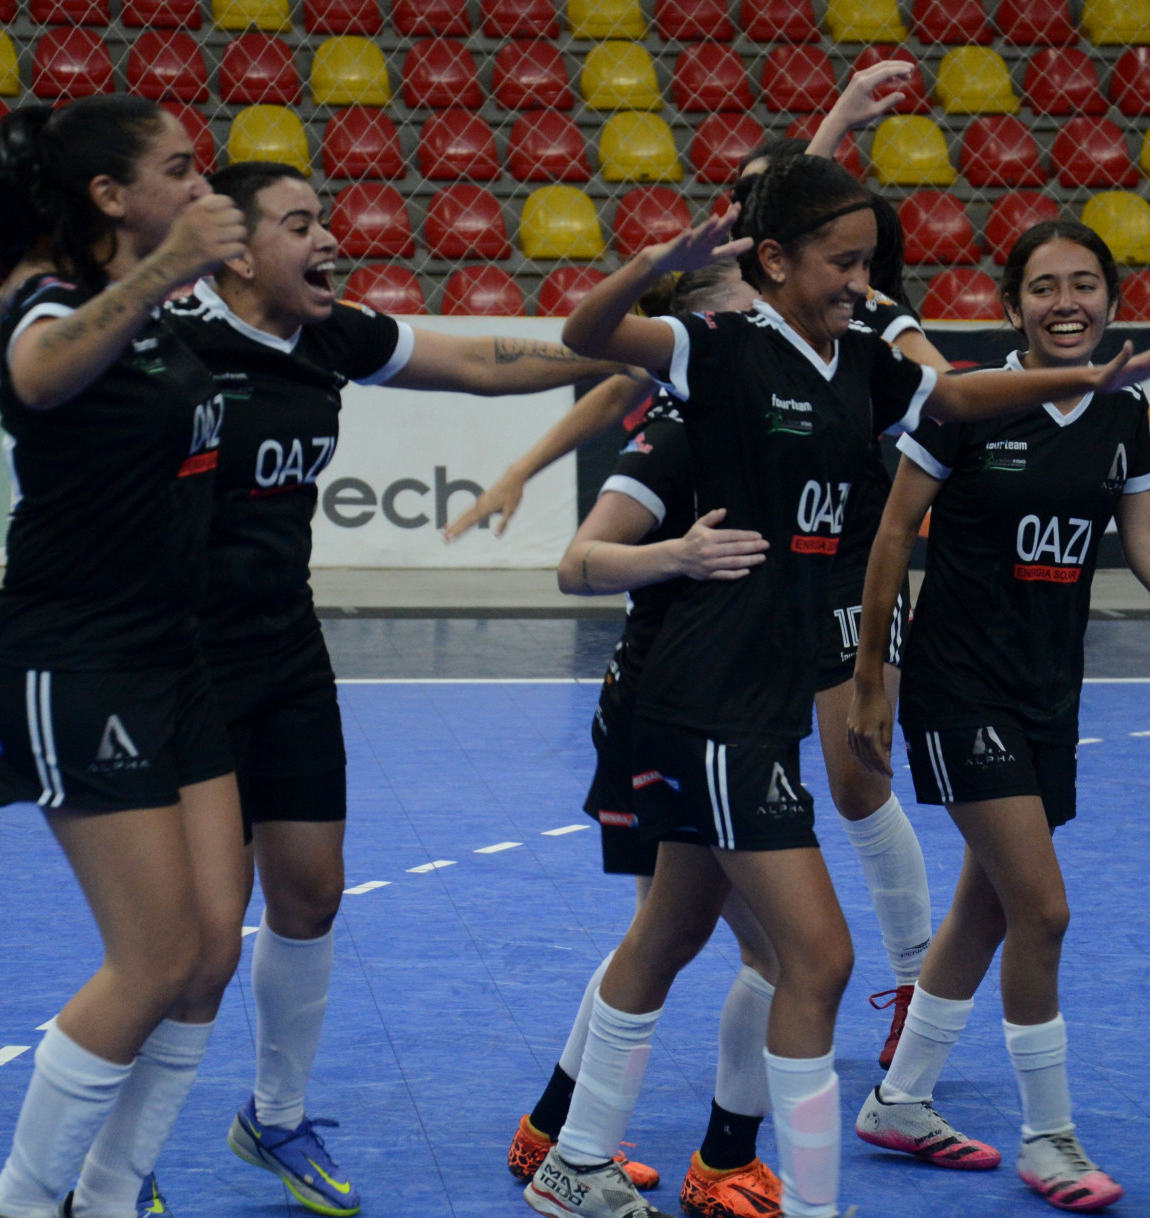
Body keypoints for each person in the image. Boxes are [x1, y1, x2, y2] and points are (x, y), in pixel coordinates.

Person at [531, 154, 1150, 1218]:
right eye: (841, 261)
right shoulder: (715, 350)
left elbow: (964, 396)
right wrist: (664, 262)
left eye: (870, 262)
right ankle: (804, 1202)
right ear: (775, 259)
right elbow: (585, 336)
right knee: (819, 957)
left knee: (670, 933)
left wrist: (1088, 382)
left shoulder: (862, 366)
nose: (860, 279)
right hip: (702, 693)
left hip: (760, 700)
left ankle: (575, 1157)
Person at [155, 159, 634, 1215]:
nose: (328, 240)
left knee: (313, 891)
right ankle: (116, 1165)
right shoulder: (169, 343)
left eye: (325, 219)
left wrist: (626, 344)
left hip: (285, 654)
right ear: (235, 251)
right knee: (192, 946)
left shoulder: (328, 335)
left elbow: (478, 362)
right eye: (298, 224)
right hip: (180, 667)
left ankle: (273, 1120)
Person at [457, 66, 942, 1069]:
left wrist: (841, 119)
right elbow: (586, 507)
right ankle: (593, 1133)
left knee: (735, 917)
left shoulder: (835, 333)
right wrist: (562, 493)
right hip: (680, 683)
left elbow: (811, 226)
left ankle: (604, 1134)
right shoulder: (702, 371)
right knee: (706, 941)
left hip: (772, 637)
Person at [845, 221, 1150, 1212]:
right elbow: (890, 536)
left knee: (985, 903)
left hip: (1050, 690)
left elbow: (1149, 547)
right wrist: (872, 681)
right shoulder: (963, 404)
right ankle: (1049, 1138)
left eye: (1085, 285)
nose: (1067, 303)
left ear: (1110, 300)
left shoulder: (1126, 413)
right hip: (956, 684)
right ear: (1012, 307)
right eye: (1045, 287)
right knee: (1042, 909)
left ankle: (899, 1099)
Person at [0, 97, 250, 1218]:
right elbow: (38, 376)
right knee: (154, 958)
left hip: (171, 662)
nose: (197, 184)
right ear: (111, 198)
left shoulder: (167, 312)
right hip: (71, 662)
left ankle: (109, 1196)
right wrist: (170, 265)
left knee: (212, 950)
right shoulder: (51, 299)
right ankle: (16, 1206)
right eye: (177, 169)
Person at [500, 262, 790, 1218]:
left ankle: (555, 1135)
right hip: (663, 712)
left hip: (720, 708)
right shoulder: (675, 428)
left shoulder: (759, 418)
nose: (765, 322)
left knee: (677, 934)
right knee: (744, 947)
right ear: (705, 327)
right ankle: (709, 1161)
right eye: (747, 309)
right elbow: (576, 562)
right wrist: (682, 555)